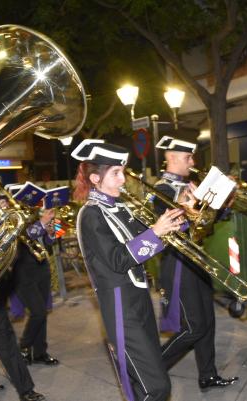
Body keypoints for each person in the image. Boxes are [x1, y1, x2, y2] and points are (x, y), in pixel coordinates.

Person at [73, 139, 183, 401]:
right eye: (116, 173)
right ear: (95, 178)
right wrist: (155, 232)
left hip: (139, 299)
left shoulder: (119, 208)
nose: (123, 180)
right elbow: (119, 259)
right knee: (156, 387)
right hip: (120, 304)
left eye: (122, 172)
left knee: (140, 383)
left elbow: (146, 243)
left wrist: (174, 224)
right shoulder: (91, 215)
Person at [153, 136, 238, 392]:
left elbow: (203, 229)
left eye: (192, 157)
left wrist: (223, 204)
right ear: (172, 158)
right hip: (178, 263)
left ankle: (208, 375)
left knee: (208, 322)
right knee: (194, 326)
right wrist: (192, 206)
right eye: (188, 157)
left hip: (196, 259)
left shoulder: (191, 186)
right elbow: (170, 227)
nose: (192, 162)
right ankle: (150, 371)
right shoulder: (162, 189)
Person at [0, 195, 46, 401]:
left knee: (5, 338)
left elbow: (14, 255)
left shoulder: (3, 225)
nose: (2, 205)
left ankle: (26, 390)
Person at [13, 206, 59, 366]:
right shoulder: (17, 217)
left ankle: (40, 352)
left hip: (42, 268)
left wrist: (52, 232)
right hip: (23, 272)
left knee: (42, 313)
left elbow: (51, 242)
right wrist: (43, 222)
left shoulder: (47, 217)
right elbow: (27, 235)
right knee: (38, 312)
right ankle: (24, 347)